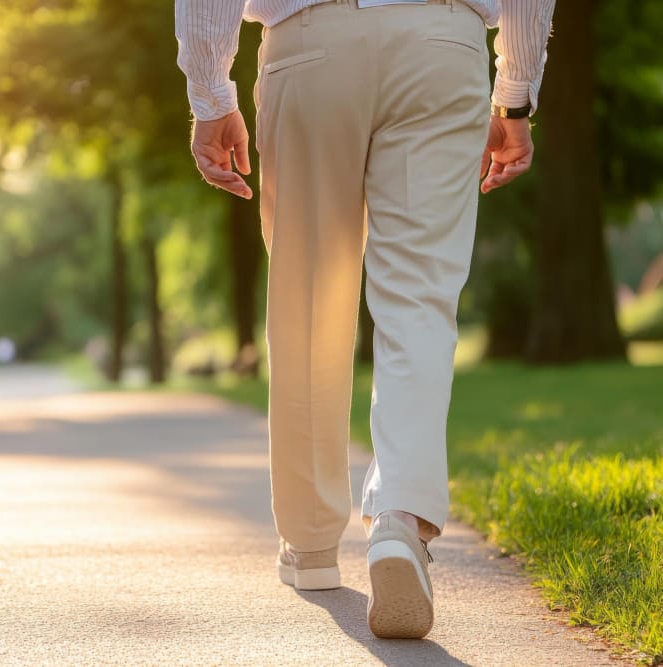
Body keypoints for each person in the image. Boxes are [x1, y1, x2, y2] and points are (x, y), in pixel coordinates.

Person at [176, 0, 554, 640]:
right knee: (420, 297)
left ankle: (313, 544)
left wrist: (211, 93)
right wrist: (515, 92)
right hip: (444, 44)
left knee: (309, 301)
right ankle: (400, 518)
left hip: (311, 42)